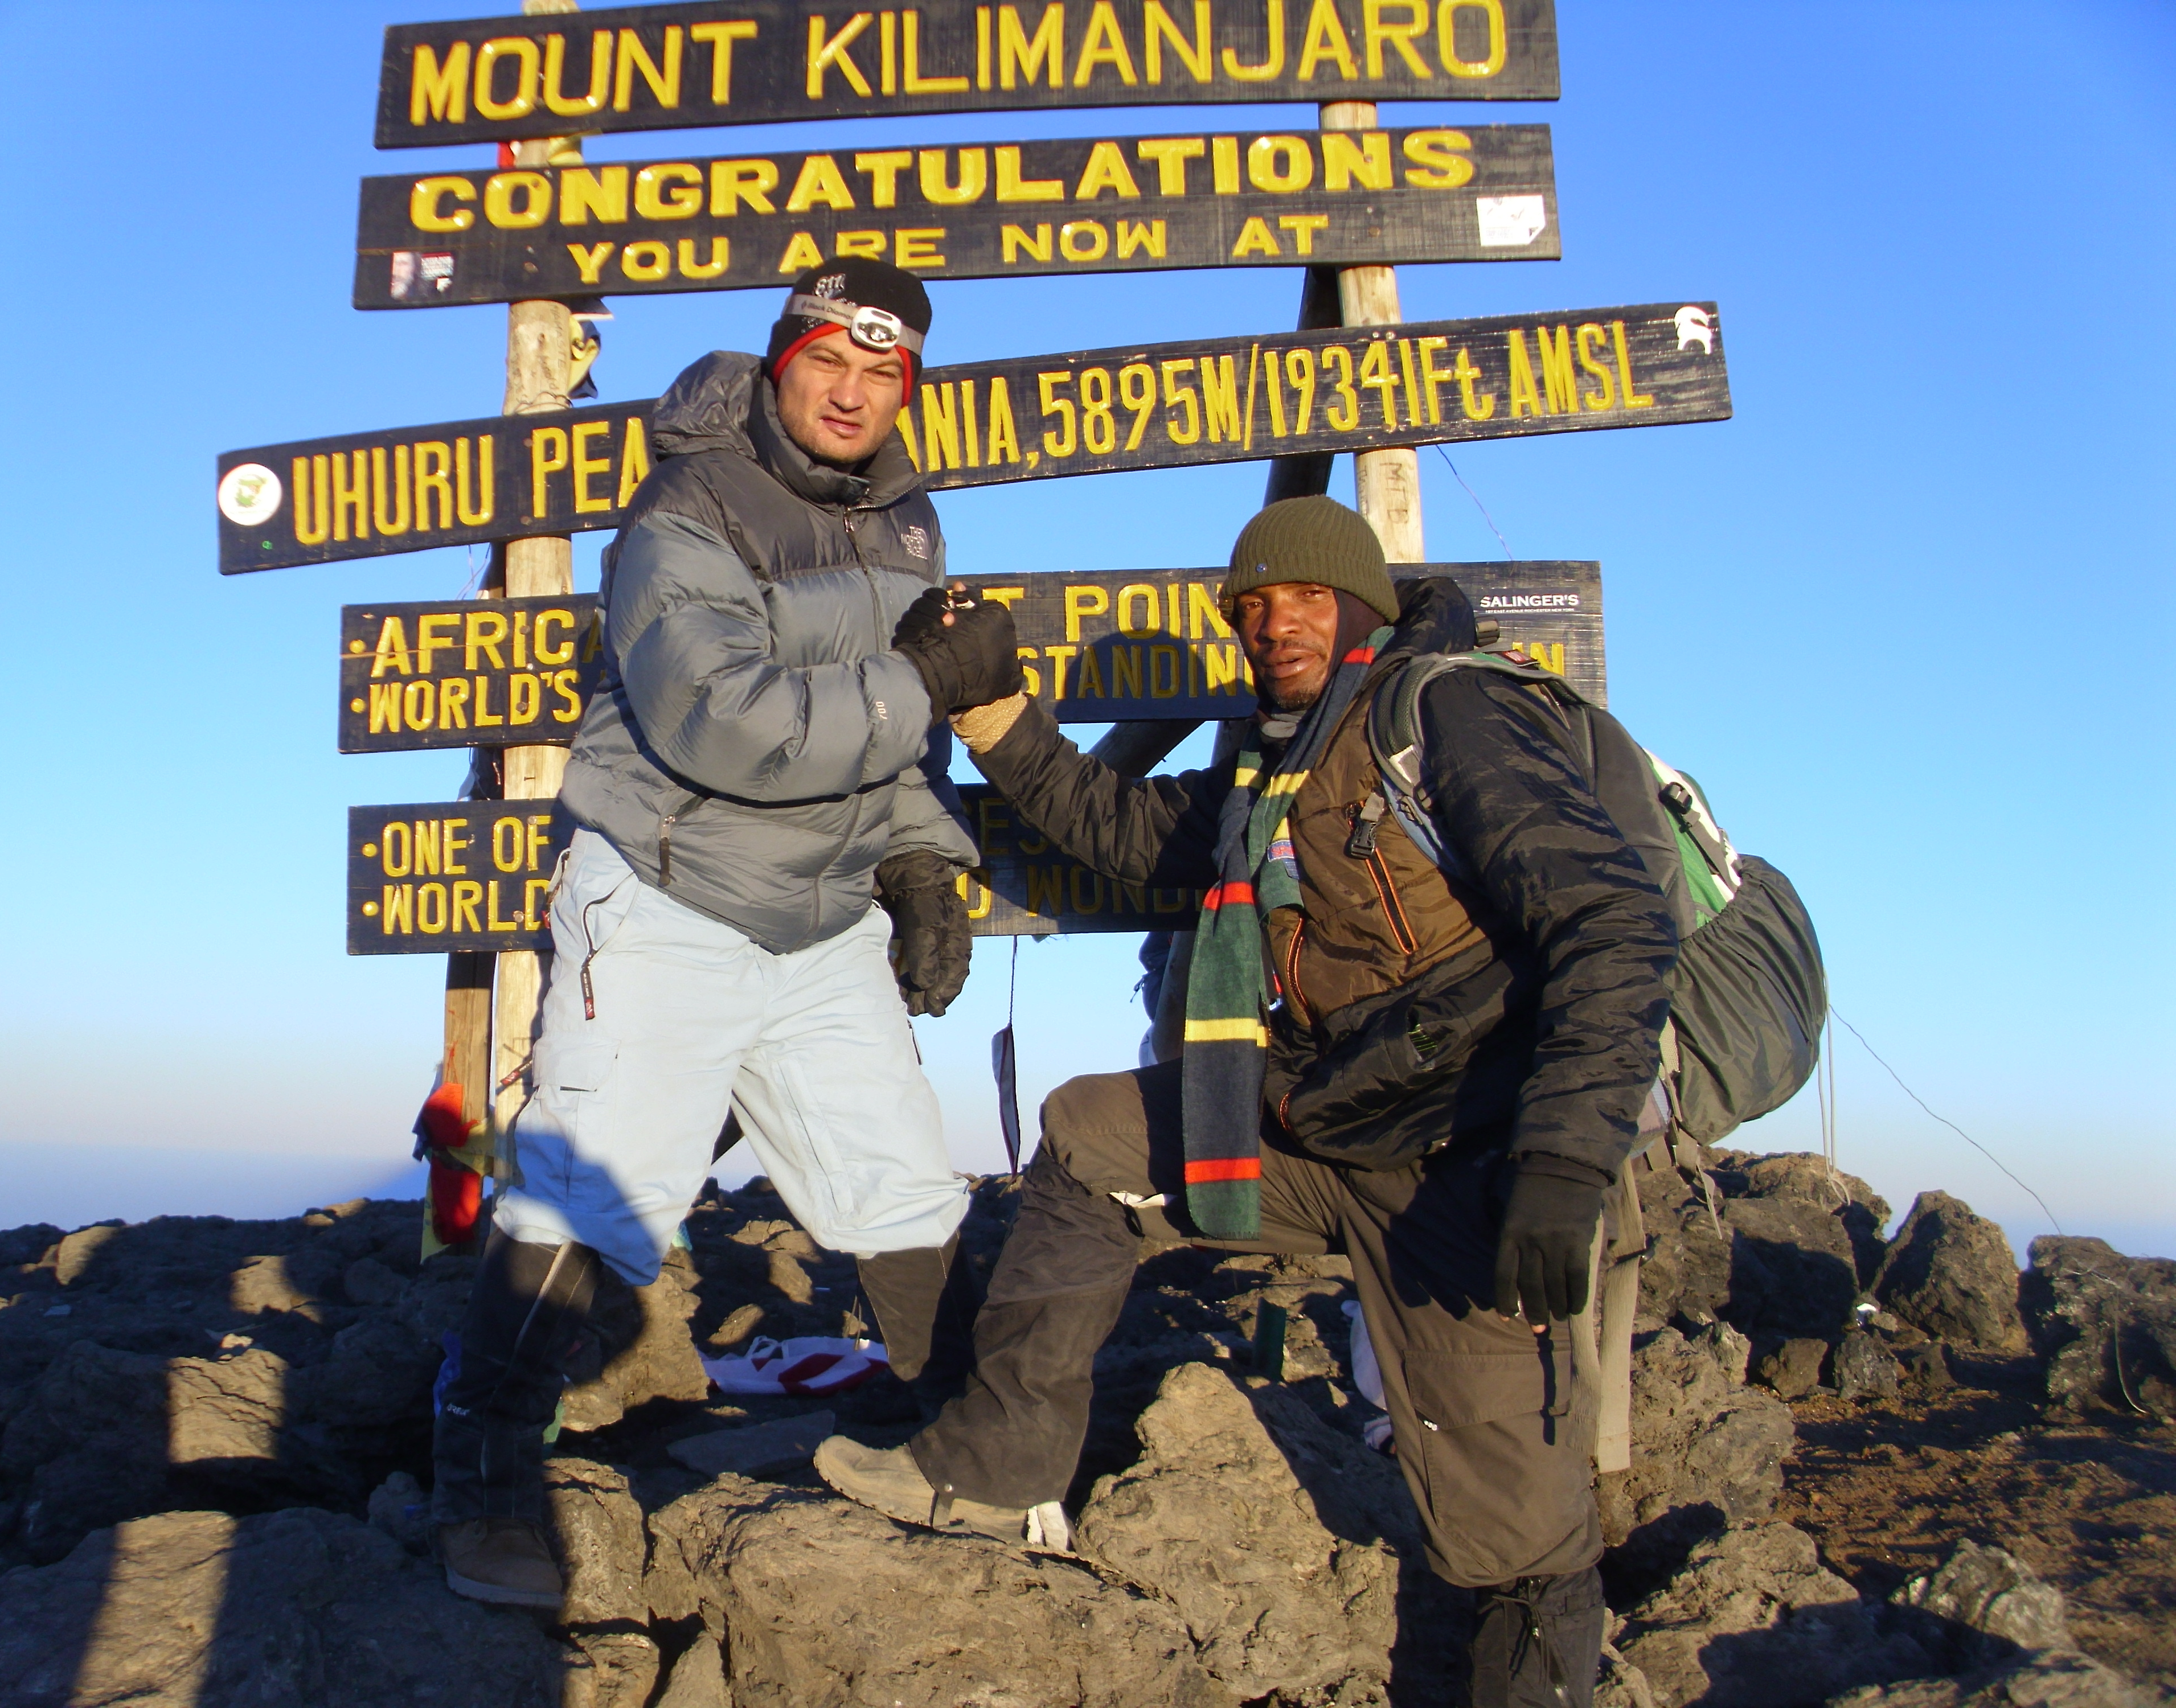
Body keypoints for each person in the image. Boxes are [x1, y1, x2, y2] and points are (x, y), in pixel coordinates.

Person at [816, 494, 1679, 1707]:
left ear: (1365, 605)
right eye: (1252, 607)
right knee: (1090, 1135)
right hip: (1313, 1127)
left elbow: (1612, 920)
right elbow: (1119, 829)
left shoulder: (1447, 713)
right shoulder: (1273, 764)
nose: (1273, 625)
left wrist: (1562, 1161)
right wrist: (991, 706)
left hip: (1461, 1158)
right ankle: (997, 1460)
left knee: (1516, 1541)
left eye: (1304, 599)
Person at [433, 260, 1025, 1608]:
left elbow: (893, 731)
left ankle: (954, 1450)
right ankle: (482, 1466)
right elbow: (724, 721)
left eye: (884, 374)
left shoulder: (905, 520)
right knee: (595, 1189)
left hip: (817, 918)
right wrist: (920, 679)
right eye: (831, 361)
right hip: (665, 892)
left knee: (899, 1182)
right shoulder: (683, 507)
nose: (853, 392)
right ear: (780, 361)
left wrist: (927, 859)